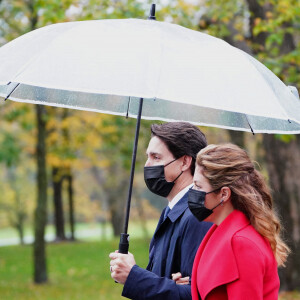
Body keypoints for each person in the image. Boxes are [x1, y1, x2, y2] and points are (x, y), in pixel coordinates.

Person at [109, 122, 212, 300]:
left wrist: (134, 276)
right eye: (147, 157)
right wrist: (129, 272)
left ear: (185, 162)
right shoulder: (169, 212)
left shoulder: (197, 216)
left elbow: (196, 295)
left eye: (156, 157)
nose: (148, 165)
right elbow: (168, 283)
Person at [187, 143, 290, 300]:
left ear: (224, 194)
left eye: (198, 186)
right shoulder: (220, 231)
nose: (192, 192)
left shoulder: (242, 243)